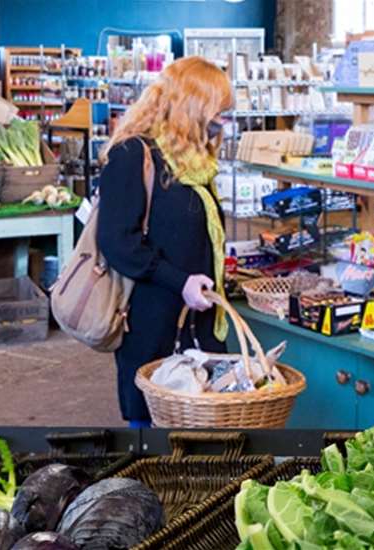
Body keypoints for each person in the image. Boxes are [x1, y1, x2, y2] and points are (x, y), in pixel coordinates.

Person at [96, 57, 232, 427]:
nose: (224, 118)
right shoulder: (133, 155)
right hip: (151, 323)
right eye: (219, 108)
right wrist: (180, 281)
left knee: (203, 427)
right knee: (153, 433)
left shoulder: (197, 162)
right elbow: (117, 242)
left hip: (199, 323)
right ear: (192, 104)